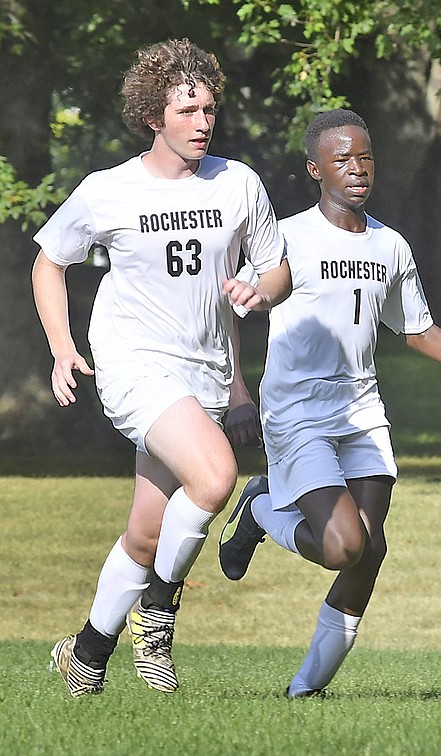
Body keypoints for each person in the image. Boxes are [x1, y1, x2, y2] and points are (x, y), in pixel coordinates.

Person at [217, 109, 441, 698]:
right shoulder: (286, 238)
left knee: (369, 550)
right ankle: (259, 512)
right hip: (297, 412)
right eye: (341, 160)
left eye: (365, 158)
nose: (356, 169)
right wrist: (237, 392)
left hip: (360, 411)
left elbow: (416, 330)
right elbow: (237, 309)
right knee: (344, 545)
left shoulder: (391, 245)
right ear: (315, 169)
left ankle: (306, 690)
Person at [31, 39, 291, 698]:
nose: (204, 121)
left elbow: (277, 268)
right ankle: (159, 615)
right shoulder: (108, 191)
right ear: (154, 116)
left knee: (148, 532)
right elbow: (49, 262)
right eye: (188, 109)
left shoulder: (238, 185)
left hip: (201, 373)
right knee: (217, 476)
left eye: (209, 108)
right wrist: (63, 347)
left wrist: (262, 292)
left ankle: (86, 655)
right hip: (133, 365)